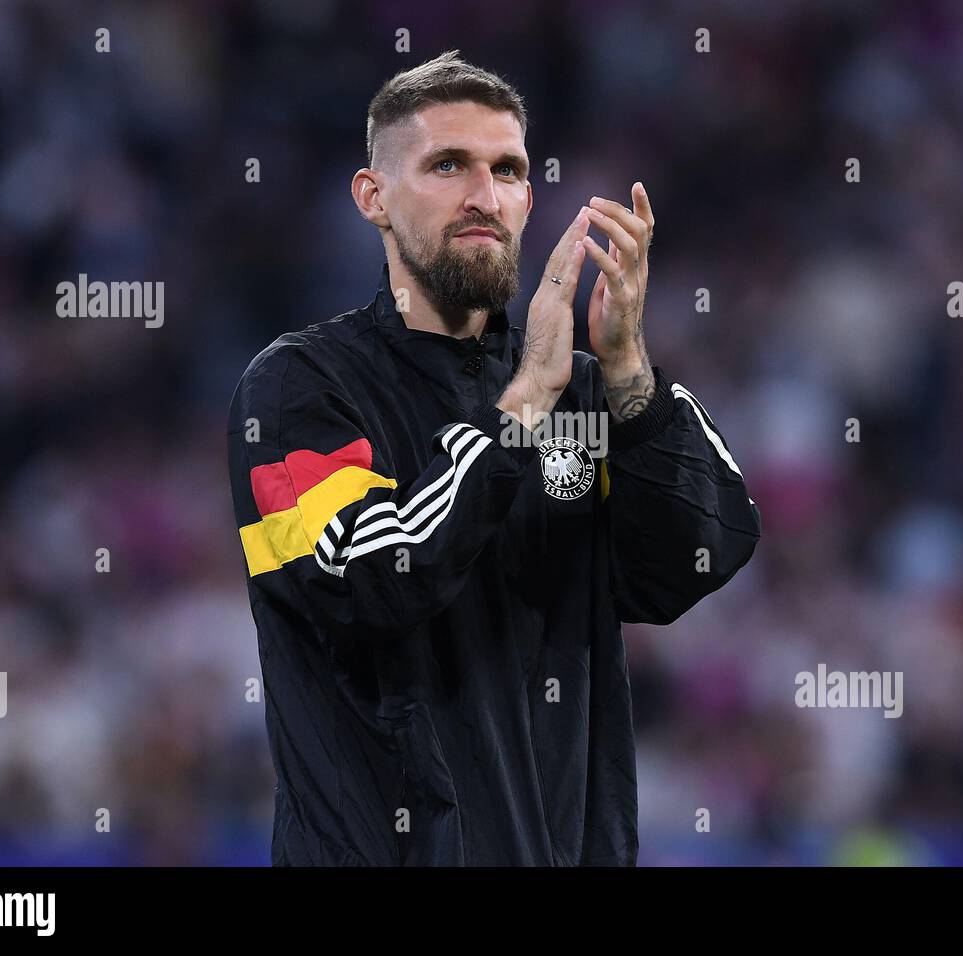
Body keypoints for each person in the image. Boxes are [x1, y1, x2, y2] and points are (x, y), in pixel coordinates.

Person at [226, 50, 761, 866]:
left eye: (507, 170)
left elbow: (696, 560)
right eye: (448, 165)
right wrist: (516, 418)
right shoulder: (299, 389)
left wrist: (629, 378)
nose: (485, 196)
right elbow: (373, 576)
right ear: (373, 197)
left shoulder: (585, 390)